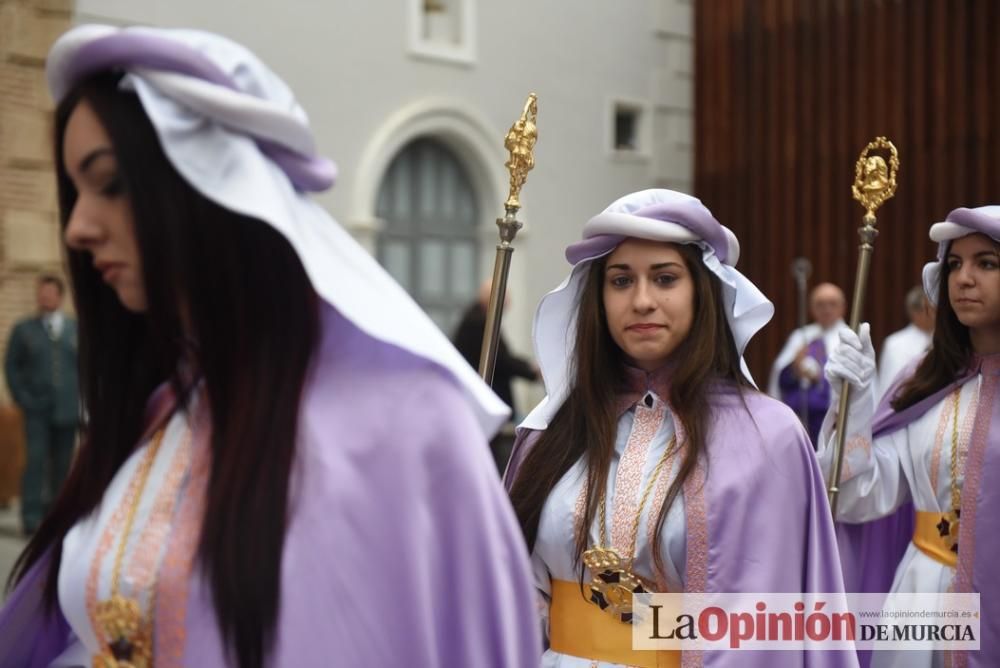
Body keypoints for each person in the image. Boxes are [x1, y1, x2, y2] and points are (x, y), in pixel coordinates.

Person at [0, 25, 540, 667]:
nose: (80, 228)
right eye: (76, 191)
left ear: (210, 185)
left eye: (110, 183)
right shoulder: (162, 412)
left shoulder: (408, 423)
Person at [505, 189, 855, 667]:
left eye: (665, 278)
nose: (642, 300)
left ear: (702, 291)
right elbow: (510, 601)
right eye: (621, 280)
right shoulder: (552, 430)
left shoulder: (768, 438)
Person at [819, 205, 1000, 667]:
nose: (963, 278)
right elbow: (859, 497)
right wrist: (855, 408)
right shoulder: (923, 380)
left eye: (987, 263)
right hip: (921, 597)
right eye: (955, 264)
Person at [3, 275, 79, 534]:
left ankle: (55, 515)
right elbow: (11, 366)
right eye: (41, 292)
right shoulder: (24, 329)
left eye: (50, 292)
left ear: (60, 296)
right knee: (35, 461)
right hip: (36, 409)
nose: (45, 297)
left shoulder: (74, 329)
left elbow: (86, 367)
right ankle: (31, 517)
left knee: (62, 463)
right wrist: (21, 397)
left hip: (68, 409)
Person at [769, 282, 848, 444]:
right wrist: (794, 369)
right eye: (820, 304)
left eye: (832, 304)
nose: (826, 309)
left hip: (835, 423)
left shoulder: (851, 338)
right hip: (799, 423)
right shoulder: (800, 336)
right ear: (812, 308)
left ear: (843, 307)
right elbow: (780, 379)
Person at [876, 285, 934, 398]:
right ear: (915, 313)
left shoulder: (943, 338)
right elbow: (890, 385)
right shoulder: (895, 343)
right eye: (929, 310)